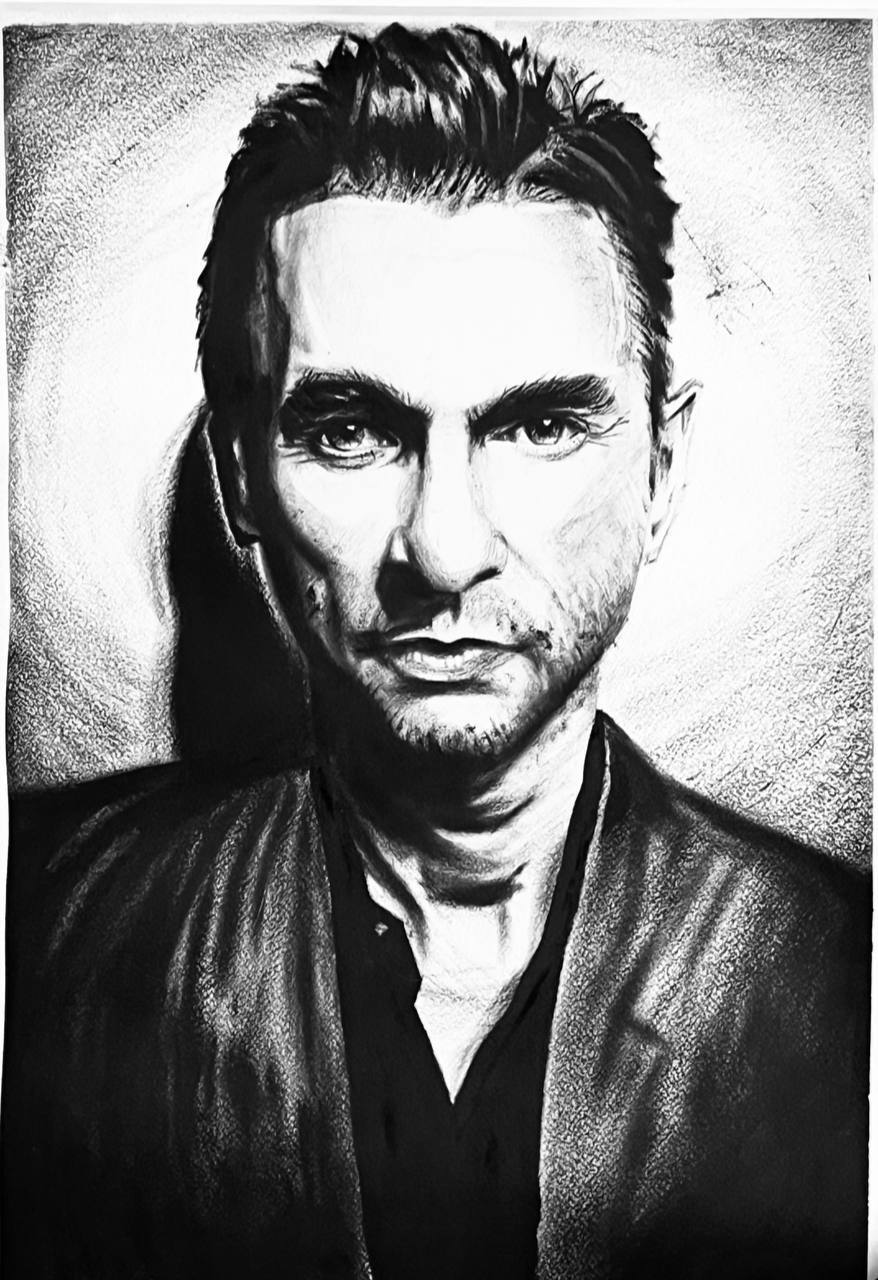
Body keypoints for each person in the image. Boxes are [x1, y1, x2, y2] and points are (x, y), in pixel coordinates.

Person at [2, 23, 869, 1280]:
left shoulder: (843, 983)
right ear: (241, 481)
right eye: (350, 430)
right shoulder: (42, 937)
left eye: (540, 425)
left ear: (661, 470)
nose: (444, 550)